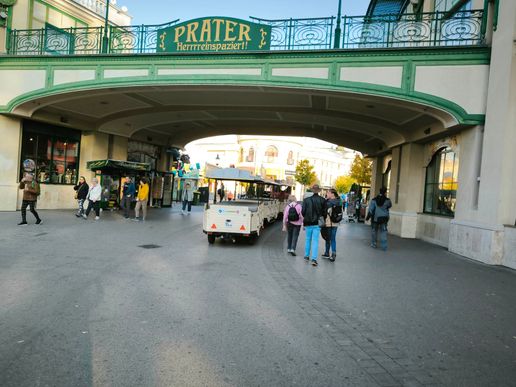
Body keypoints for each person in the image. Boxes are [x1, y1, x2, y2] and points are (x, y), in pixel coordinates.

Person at [301, 184, 327, 267]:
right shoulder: (323, 200)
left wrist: (307, 217)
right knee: (315, 241)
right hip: (317, 223)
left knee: (308, 239)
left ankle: (306, 256)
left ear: (312, 190)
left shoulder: (306, 200)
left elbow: (303, 212)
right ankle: (314, 259)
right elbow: (325, 213)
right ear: (319, 191)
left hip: (308, 223)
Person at [366, 187, 392, 251]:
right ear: (385, 192)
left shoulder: (374, 200)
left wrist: (367, 217)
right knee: (383, 232)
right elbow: (390, 205)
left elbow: (371, 210)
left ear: (379, 192)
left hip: (375, 218)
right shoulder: (387, 200)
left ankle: (374, 243)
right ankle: (384, 246)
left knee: (374, 231)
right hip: (384, 218)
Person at [322, 189, 343, 262]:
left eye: (328, 193)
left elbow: (324, 212)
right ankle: (333, 253)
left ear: (332, 194)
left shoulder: (329, 202)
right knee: (333, 238)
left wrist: (325, 200)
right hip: (336, 222)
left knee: (328, 238)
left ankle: (327, 253)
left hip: (329, 222)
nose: (327, 194)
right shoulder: (339, 201)